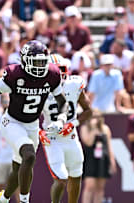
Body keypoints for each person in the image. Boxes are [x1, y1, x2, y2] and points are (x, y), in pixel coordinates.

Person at [0, 40, 68, 203]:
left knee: (18, 168)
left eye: (42, 62)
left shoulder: (52, 74)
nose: (40, 67)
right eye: (36, 62)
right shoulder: (15, 75)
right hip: (12, 122)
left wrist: (60, 120)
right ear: (25, 61)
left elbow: (63, 103)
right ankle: (25, 201)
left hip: (32, 125)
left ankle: (3, 198)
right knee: (29, 155)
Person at [39, 54, 92, 203]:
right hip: (52, 137)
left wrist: (73, 124)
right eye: (54, 70)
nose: (58, 74)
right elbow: (28, 116)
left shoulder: (73, 85)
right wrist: (39, 132)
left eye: (60, 69)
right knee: (61, 178)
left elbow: (88, 111)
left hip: (71, 136)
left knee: (76, 174)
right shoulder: (39, 89)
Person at [80, 110, 116, 203]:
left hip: (102, 159)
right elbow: (88, 142)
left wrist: (112, 161)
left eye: (97, 117)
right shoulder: (85, 128)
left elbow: (109, 146)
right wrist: (93, 130)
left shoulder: (105, 129)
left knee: (100, 187)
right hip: (90, 159)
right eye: (93, 117)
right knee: (89, 186)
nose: (95, 119)